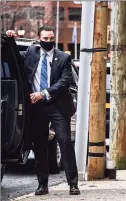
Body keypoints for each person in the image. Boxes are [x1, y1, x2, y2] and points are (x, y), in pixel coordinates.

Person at [6, 27, 80, 195]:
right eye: (45, 38)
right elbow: (15, 59)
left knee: (65, 141)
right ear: (39, 38)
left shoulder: (64, 58)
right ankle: (42, 185)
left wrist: (43, 94)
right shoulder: (31, 53)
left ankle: (73, 184)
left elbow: (65, 81)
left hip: (57, 105)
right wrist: (10, 37)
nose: (48, 41)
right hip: (36, 107)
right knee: (39, 144)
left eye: (51, 38)